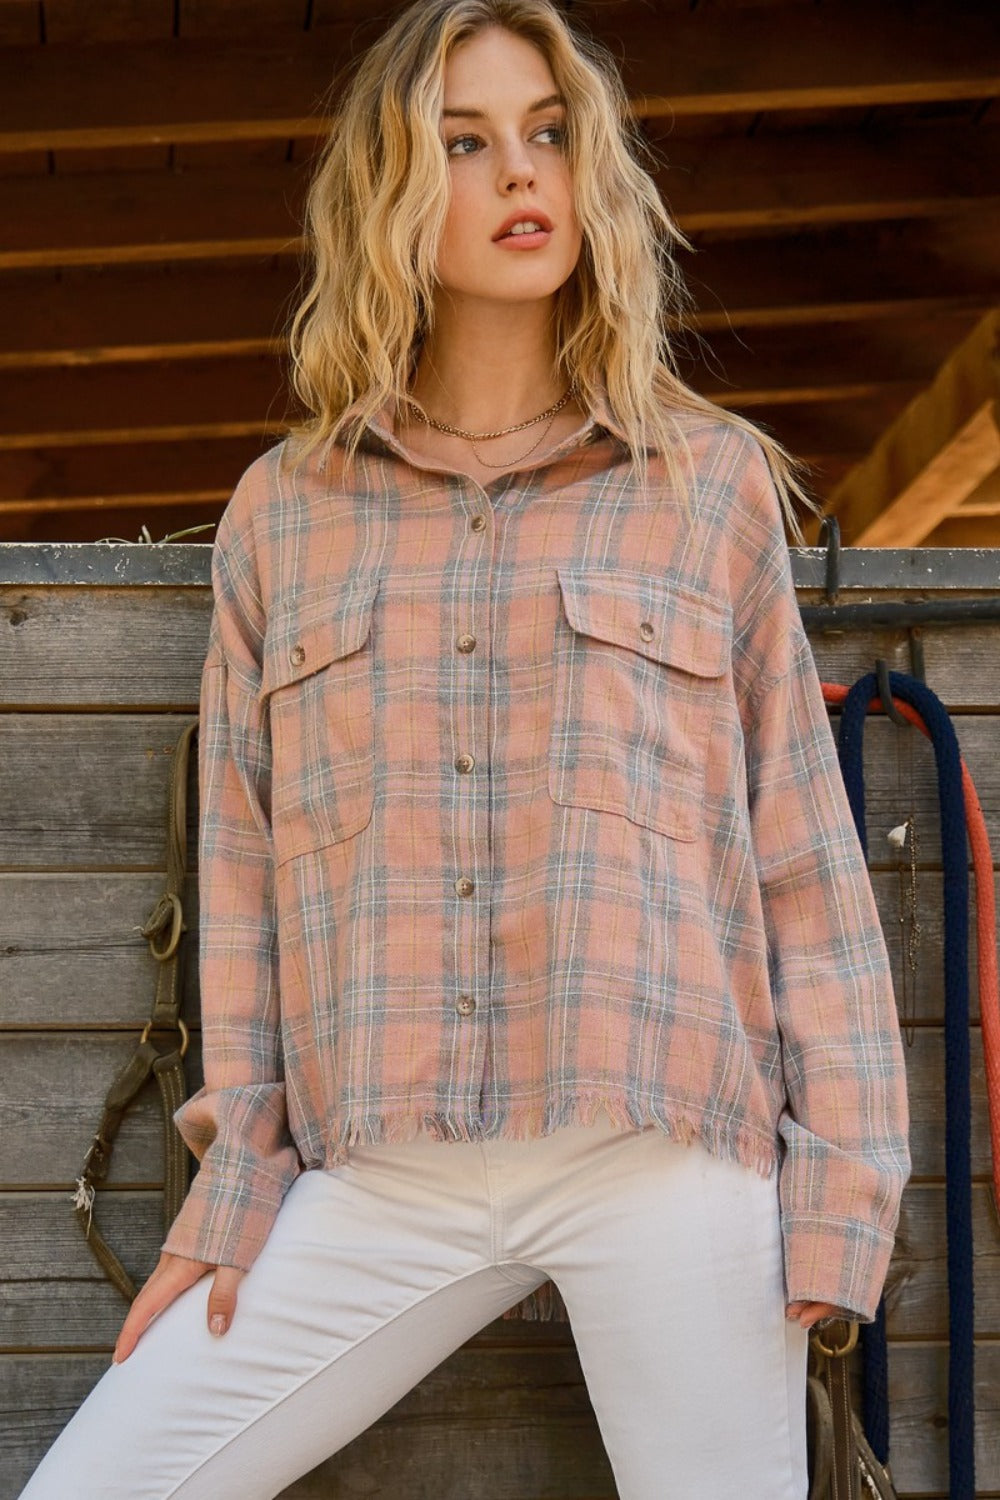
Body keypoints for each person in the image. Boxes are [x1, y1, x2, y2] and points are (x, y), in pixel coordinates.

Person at [18, 2, 911, 1497]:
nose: (520, 173)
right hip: (385, 1178)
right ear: (389, 190)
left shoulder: (706, 488)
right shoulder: (283, 516)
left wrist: (839, 1194)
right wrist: (234, 1185)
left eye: (549, 134)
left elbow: (805, 868)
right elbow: (240, 889)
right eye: (465, 140)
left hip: (663, 1155)